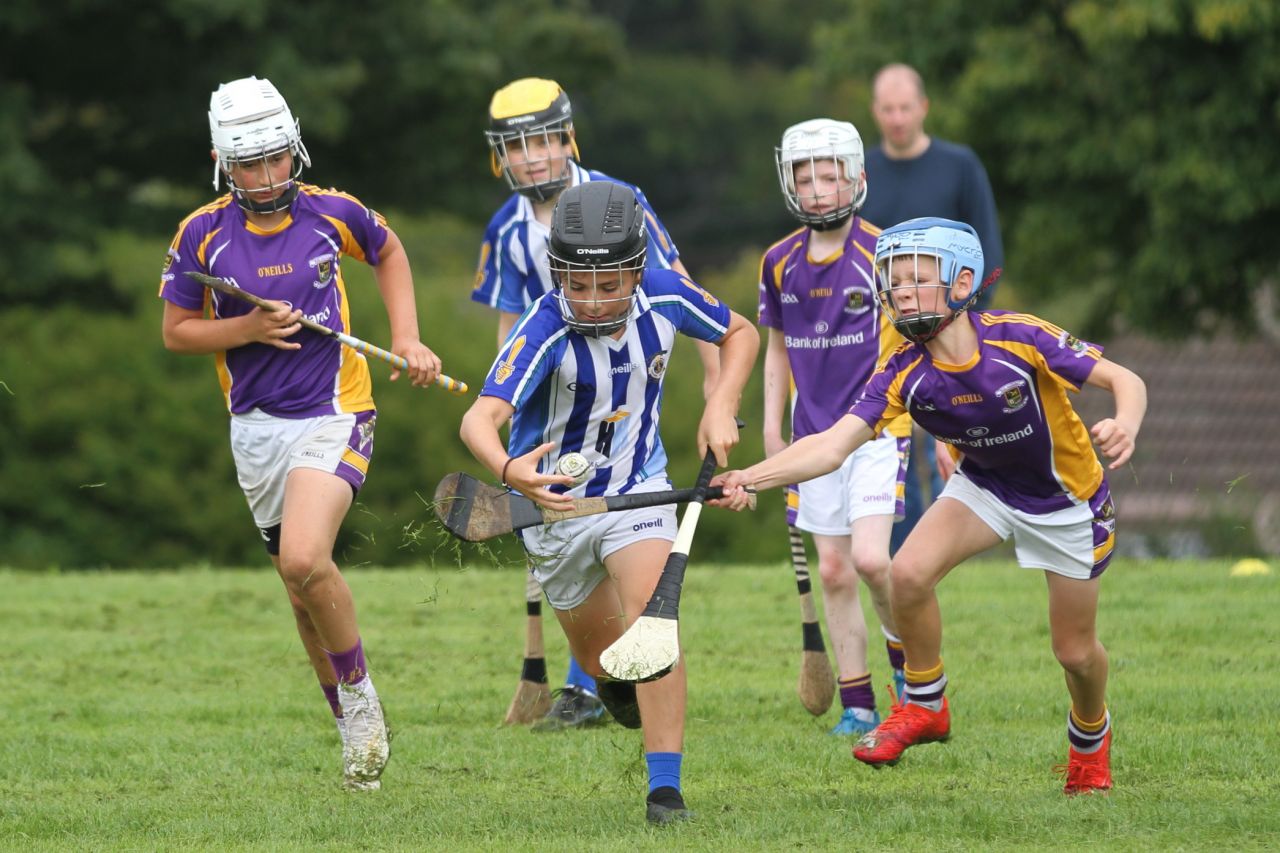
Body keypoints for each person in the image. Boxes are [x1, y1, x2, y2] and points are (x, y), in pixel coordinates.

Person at [714, 217, 1146, 795]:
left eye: (917, 279)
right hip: (985, 487)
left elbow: (1127, 379)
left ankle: (1091, 736)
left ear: (963, 284)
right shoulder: (901, 372)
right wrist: (752, 476)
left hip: (1065, 501)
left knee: (1073, 652)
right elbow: (831, 446)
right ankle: (925, 702)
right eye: (892, 281)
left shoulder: (1019, 338)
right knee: (908, 573)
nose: (900, 292)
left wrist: (1125, 423)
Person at [159, 76, 443, 791]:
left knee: (304, 559)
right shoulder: (200, 233)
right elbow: (177, 332)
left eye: (277, 158)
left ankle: (362, 702)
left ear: (295, 149)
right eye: (249, 165)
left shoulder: (330, 213)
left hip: (336, 410)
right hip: (254, 430)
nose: (266, 177)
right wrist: (247, 327)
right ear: (225, 163)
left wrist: (407, 335)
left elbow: (389, 251)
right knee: (298, 591)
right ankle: (352, 735)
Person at [460, 181, 758, 822]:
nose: (593, 301)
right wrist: (513, 469)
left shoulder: (666, 295)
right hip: (556, 512)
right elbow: (479, 420)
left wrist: (721, 402)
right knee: (602, 662)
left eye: (609, 284)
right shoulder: (544, 328)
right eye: (578, 284)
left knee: (654, 621)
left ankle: (665, 790)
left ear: (636, 269)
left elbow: (741, 335)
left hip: (637, 491)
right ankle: (617, 688)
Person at [473, 77, 720, 731]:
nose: (530, 159)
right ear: (499, 156)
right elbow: (509, 331)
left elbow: (685, 294)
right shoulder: (506, 230)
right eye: (515, 147)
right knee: (566, 549)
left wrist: (714, 391)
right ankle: (599, 681)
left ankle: (589, 688)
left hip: (622, 389)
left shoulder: (617, 204)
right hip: (547, 402)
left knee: (613, 537)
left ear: (566, 139)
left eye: (541, 142)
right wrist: (505, 398)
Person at [759, 118, 913, 734]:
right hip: (812, 436)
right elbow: (776, 350)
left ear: (856, 178)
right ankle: (857, 703)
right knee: (833, 569)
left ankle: (913, 675)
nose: (819, 189)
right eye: (806, 176)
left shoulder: (883, 253)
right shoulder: (778, 263)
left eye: (830, 175)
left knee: (874, 560)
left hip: (878, 428)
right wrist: (773, 430)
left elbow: (914, 344)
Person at [862, 63, 1006, 553]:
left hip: (951, 334)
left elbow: (990, 257)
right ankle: (897, 555)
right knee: (888, 449)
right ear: (875, 113)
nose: (897, 118)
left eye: (905, 107)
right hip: (879, 336)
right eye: (887, 109)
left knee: (948, 447)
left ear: (923, 107)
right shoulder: (862, 174)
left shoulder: (960, 166)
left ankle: (945, 550)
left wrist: (959, 320)